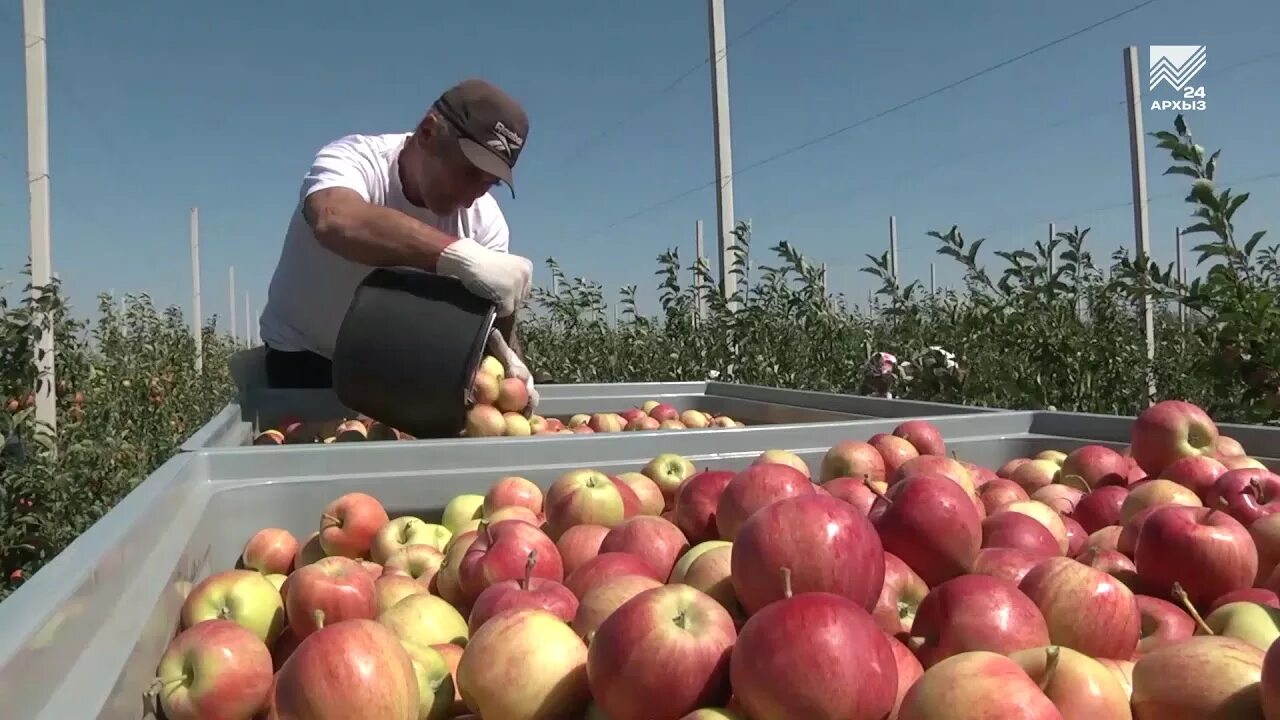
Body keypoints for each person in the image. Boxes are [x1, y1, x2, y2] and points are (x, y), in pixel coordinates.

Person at [256, 77, 538, 410]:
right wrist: (459, 257)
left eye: (490, 184)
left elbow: (493, 310)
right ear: (428, 132)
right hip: (303, 359)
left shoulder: (485, 222)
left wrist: (511, 363)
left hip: (395, 368)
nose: (472, 195)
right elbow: (333, 217)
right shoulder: (357, 159)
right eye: (469, 172)